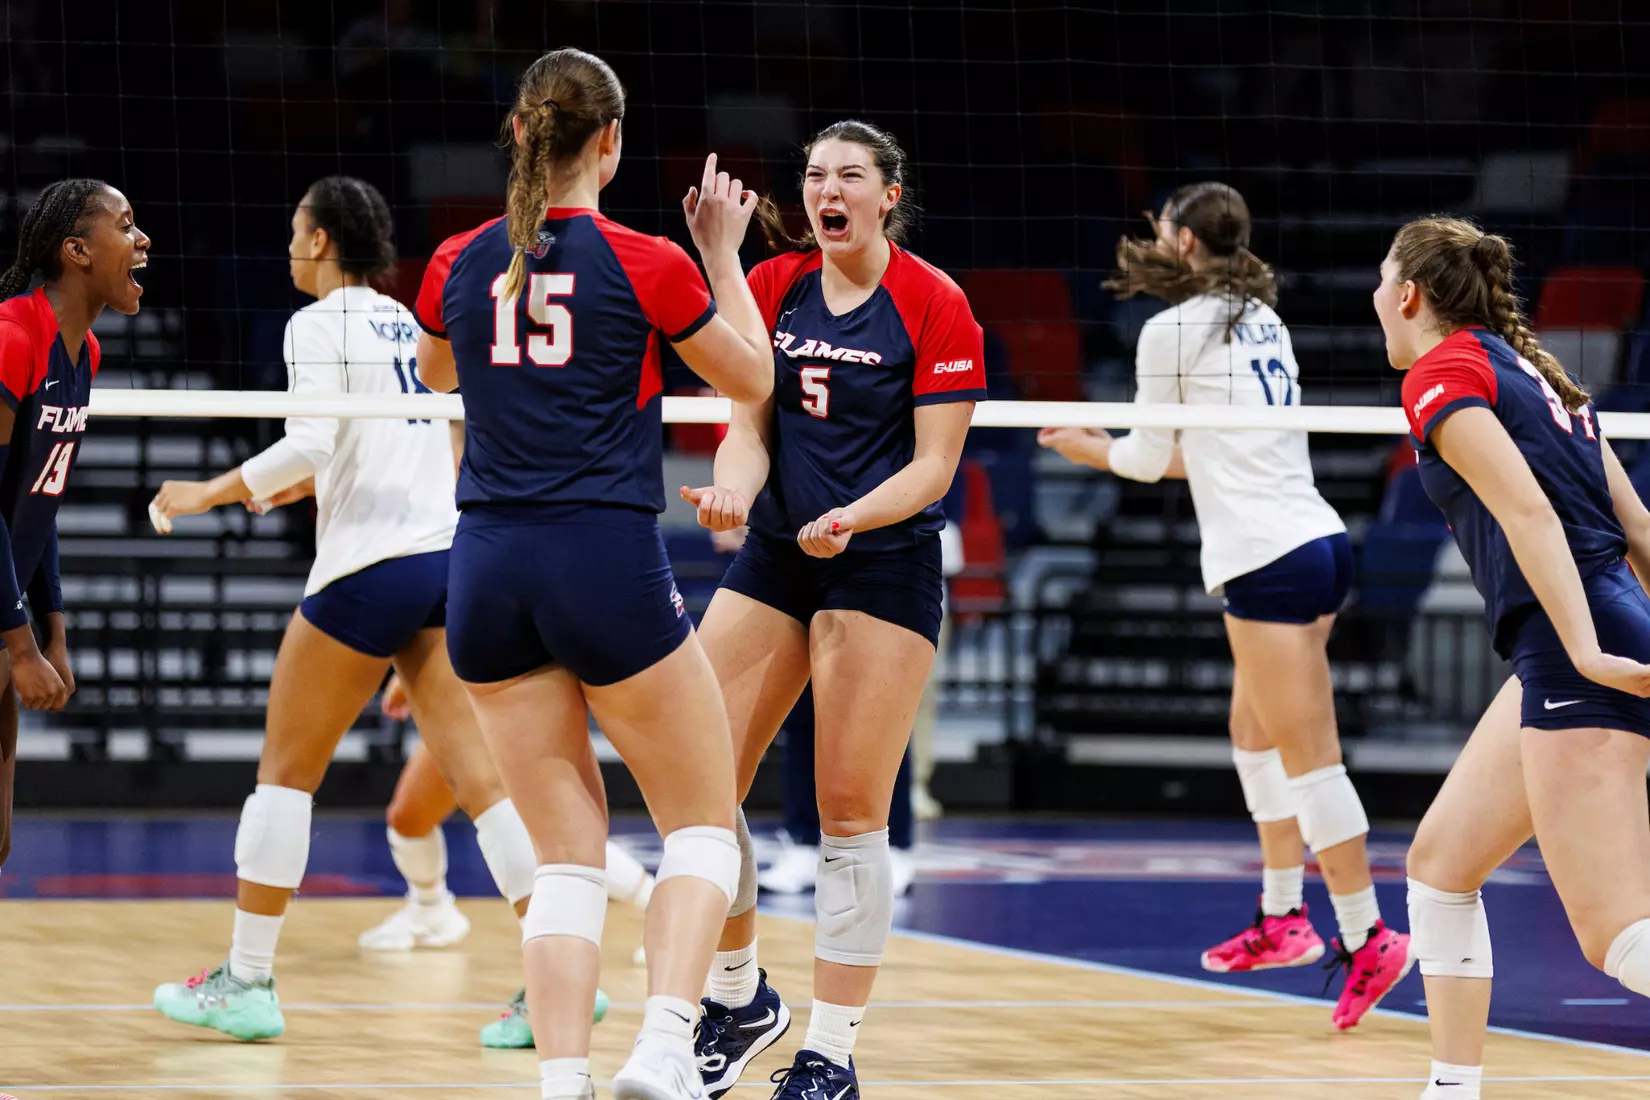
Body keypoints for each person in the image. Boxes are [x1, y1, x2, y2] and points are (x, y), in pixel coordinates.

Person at [411, 48, 773, 1100]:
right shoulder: (646, 260)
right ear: (609, 143)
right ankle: (665, 1042)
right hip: (602, 555)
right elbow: (756, 379)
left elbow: (440, 372)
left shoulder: (456, 261)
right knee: (702, 822)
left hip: (485, 566)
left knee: (563, 855)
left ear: (519, 135)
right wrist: (719, 255)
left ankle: (562, 1079)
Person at [147, 176, 555, 1047]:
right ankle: (551, 984)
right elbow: (374, 448)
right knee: (486, 791)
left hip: (367, 569)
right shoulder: (410, 321)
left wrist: (207, 492)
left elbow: (312, 440)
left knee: (285, 775)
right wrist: (299, 483)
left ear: (324, 240)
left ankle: (247, 982)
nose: (289, 247)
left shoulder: (315, 322)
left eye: (297, 231)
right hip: (445, 560)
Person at [1037, 182, 1411, 1029]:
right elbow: (1201, 459)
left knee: (1312, 761)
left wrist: (1088, 450)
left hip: (1268, 560)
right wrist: (1105, 449)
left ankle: (1369, 934)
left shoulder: (1172, 331)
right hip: (1313, 542)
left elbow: (1144, 458)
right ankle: (1284, 919)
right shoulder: (1260, 318)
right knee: (1253, 736)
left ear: (1181, 241)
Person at [684, 118, 985, 1100]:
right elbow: (746, 429)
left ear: (887, 193)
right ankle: (736, 994)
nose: (828, 189)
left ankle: (831, 1051)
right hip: (779, 550)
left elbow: (935, 466)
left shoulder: (935, 303)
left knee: (850, 812)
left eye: (849, 174)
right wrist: (733, 489)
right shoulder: (773, 287)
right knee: (696, 778)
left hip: (880, 559)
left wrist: (854, 514)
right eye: (815, 174)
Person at [1379, 217, 1650, 1100]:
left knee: (1619, 938)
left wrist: (1582, 647)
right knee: (1440, 868)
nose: (1376, 299)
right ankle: (1453, 1090)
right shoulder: (1538, 372)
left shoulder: (1439, 372)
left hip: (1577, 647)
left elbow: (1530, 516)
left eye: (1384, 281)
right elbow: (1638, 529)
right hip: (1587, 635)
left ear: (1411, 295)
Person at [0, 179, 148, 874]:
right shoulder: (11, 338)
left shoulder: (84, 355)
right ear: (77, 250)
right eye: (127, 225)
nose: (142, 239)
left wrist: (54, 633)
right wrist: (22, 646)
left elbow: (40, 498)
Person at [361, 677, 656, 969]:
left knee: (532, 825)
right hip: (455, 689)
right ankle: (430, 909)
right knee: (409, 819)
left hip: (501, 681)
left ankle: (663, 910)